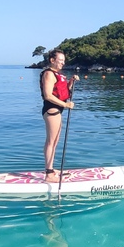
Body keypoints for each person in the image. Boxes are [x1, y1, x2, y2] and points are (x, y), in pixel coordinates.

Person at [40, 50, 79, 183]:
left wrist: (71, 82)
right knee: (51, 141)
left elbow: (62, 91)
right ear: (52, 60)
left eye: (63, 60)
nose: (63, 63)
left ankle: (51, 168)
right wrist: (66, 105)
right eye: (60, 60)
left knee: (55, 141)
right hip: (52, 110)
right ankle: (49, 174)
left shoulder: (58, 75)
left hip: (57, 109)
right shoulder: (48, 74)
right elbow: (48, 95)